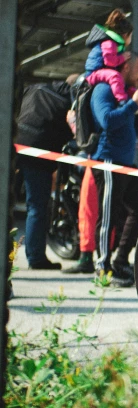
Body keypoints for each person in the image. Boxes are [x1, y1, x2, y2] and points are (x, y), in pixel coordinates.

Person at [90, 54, 138, 287]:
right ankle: (102, 268)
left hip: (127, 163)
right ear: (126, 67)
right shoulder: (103, 90)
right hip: (108, 161)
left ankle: (119, 261)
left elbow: (133, 130)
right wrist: (134, 104)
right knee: (108, 217)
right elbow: (107, 120)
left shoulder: (126, 95)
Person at [16, 74, 80, 270]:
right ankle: (36, 258)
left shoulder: (38, 88)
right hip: (39, 154)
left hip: (14, 143)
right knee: (36, 207)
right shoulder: (71, 103)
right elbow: (76, 135)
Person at [85, 9, 133, 103]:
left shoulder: (116, 44)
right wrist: (122, 57)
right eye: (131, 35)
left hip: (101, 71)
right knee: (114, 76)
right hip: (94, 73)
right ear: (125, 35)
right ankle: (122, 101)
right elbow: (109, 61)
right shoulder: (109, 43)